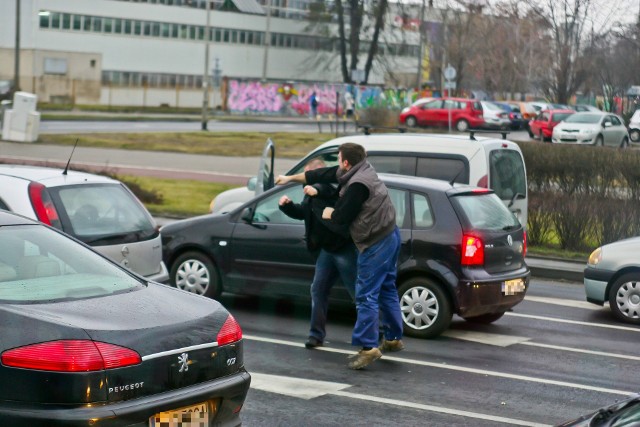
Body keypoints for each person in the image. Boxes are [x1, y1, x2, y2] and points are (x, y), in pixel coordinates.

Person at [276, 143, 404, 370]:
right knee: (386, 287)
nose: (337, 163)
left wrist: (329, 212)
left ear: (346, 162)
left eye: (339, 158)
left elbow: (342, 215)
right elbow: (318, 175)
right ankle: (392, 338)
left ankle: (368, 347)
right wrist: (288, 179)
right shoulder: (360, 169)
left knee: (365, 294)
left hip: (375, 241)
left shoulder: (357, 184)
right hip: (389, 233)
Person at [278, 158, 357, 349]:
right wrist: (287, 206)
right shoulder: (309, 193)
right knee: (318, 289)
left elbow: (328, 191)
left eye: (307, 177)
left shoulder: (332, 184)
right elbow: (306, 212)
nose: (305, 182)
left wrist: (317, 189)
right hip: (326, 251)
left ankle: (377, 331)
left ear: (314, 174)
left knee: (358, 293)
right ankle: (315, 336)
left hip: (343, 248)